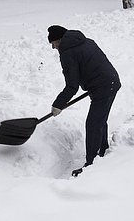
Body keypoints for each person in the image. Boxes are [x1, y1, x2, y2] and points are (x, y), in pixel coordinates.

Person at [47, 25, 121, 177]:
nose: (53, 48)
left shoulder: (68, 52)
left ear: (59, 40)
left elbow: (72, 85)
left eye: (53, 43)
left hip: (103, 86)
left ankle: (91, 164)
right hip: (111, 80)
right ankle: (102, 151)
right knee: (99, 120)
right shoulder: (85, 41)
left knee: (93, 124)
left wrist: (58, 104)